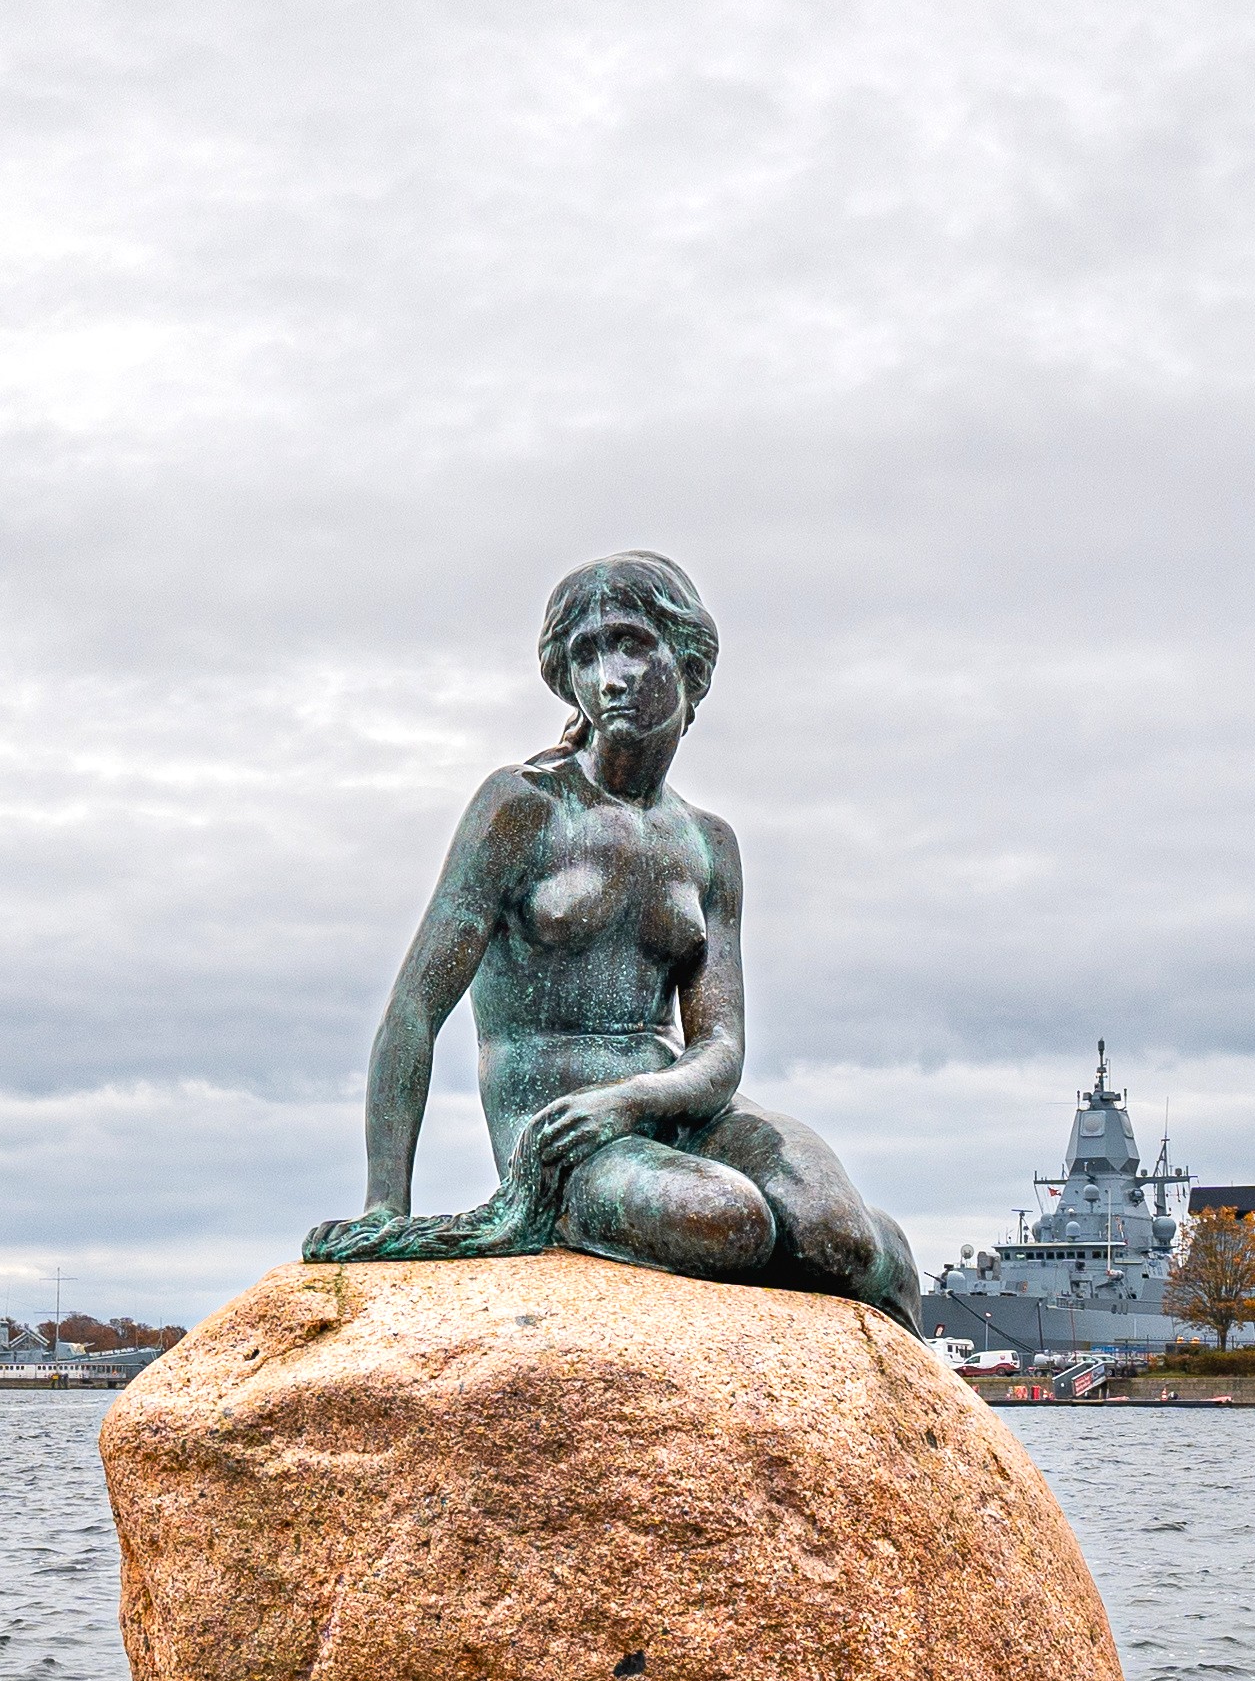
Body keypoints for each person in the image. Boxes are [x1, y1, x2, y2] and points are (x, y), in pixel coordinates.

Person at [301, 552, 921, 1328]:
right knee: (729, 1221)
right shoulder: (522, 806)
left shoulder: (706, 842)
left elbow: (720, 1047)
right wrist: (383, 1205)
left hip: (672, 1106)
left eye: (631, 644)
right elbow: (413, 1013)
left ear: (687, 662)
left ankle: (896, 1358)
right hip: (562, 1135)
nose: (610, 676)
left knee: (839, 1235)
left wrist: (633, 1098)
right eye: (586, 654)